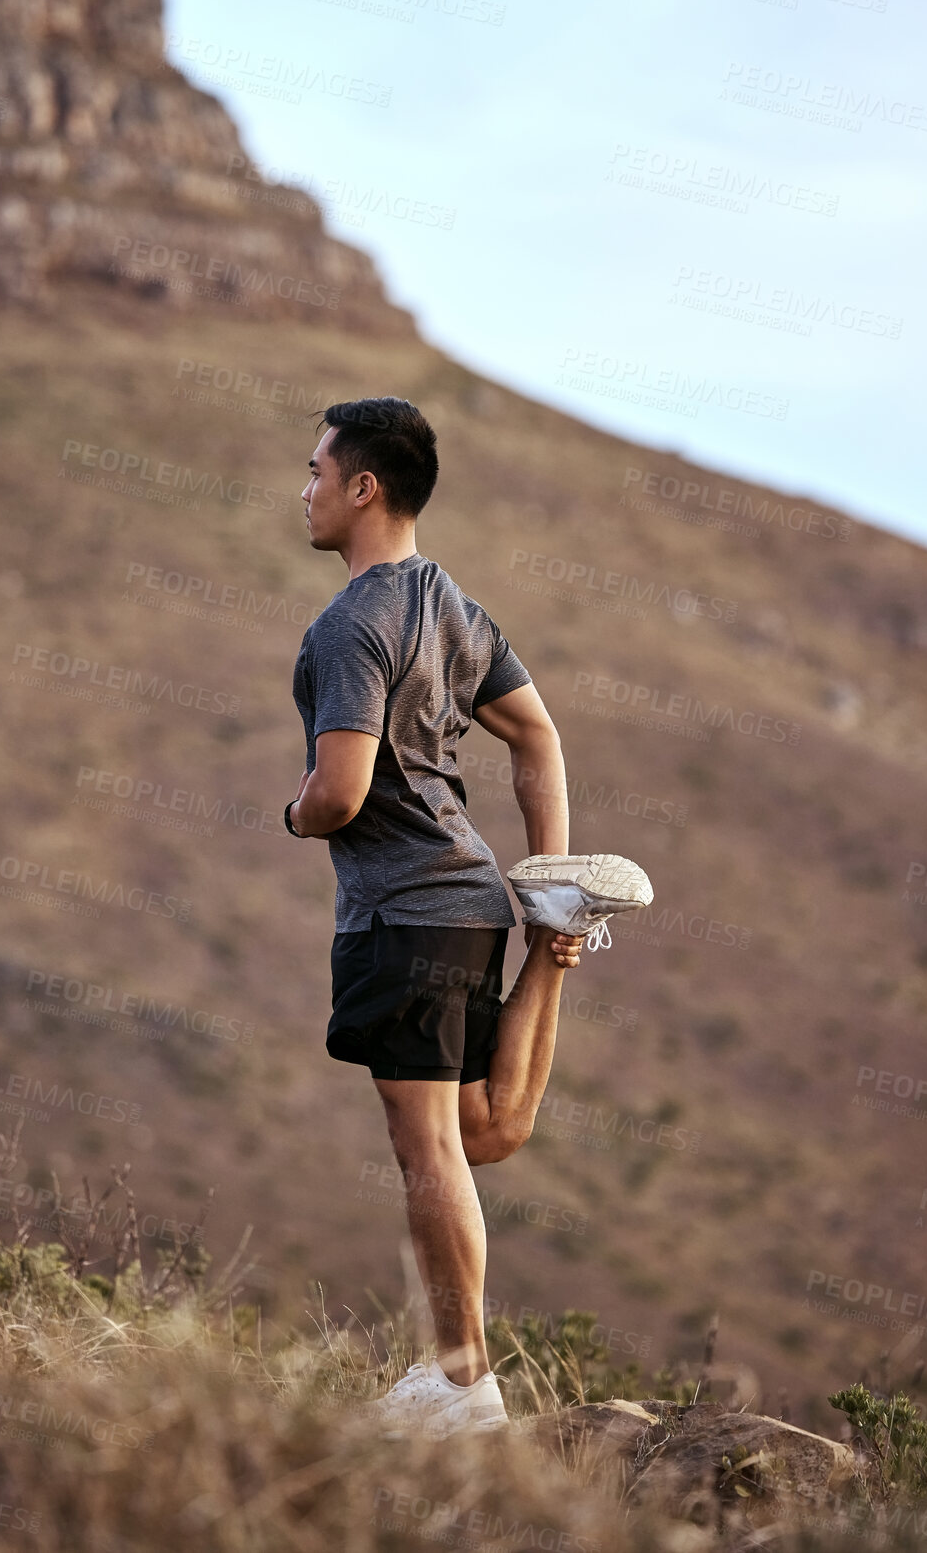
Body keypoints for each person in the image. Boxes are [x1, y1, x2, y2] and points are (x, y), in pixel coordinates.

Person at [286, 396, 650, 1437]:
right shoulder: (451, 605)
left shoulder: (350, 625)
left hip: (403, 913)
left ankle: (457, 1385)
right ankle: (557, 934)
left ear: (364, 488)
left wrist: (296, 812)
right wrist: (545, 869)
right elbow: (538, 735)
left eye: (315, 471)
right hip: (473, 901)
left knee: (426, 1153)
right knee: (483, 1131)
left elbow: (341, 792)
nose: (302, 489)